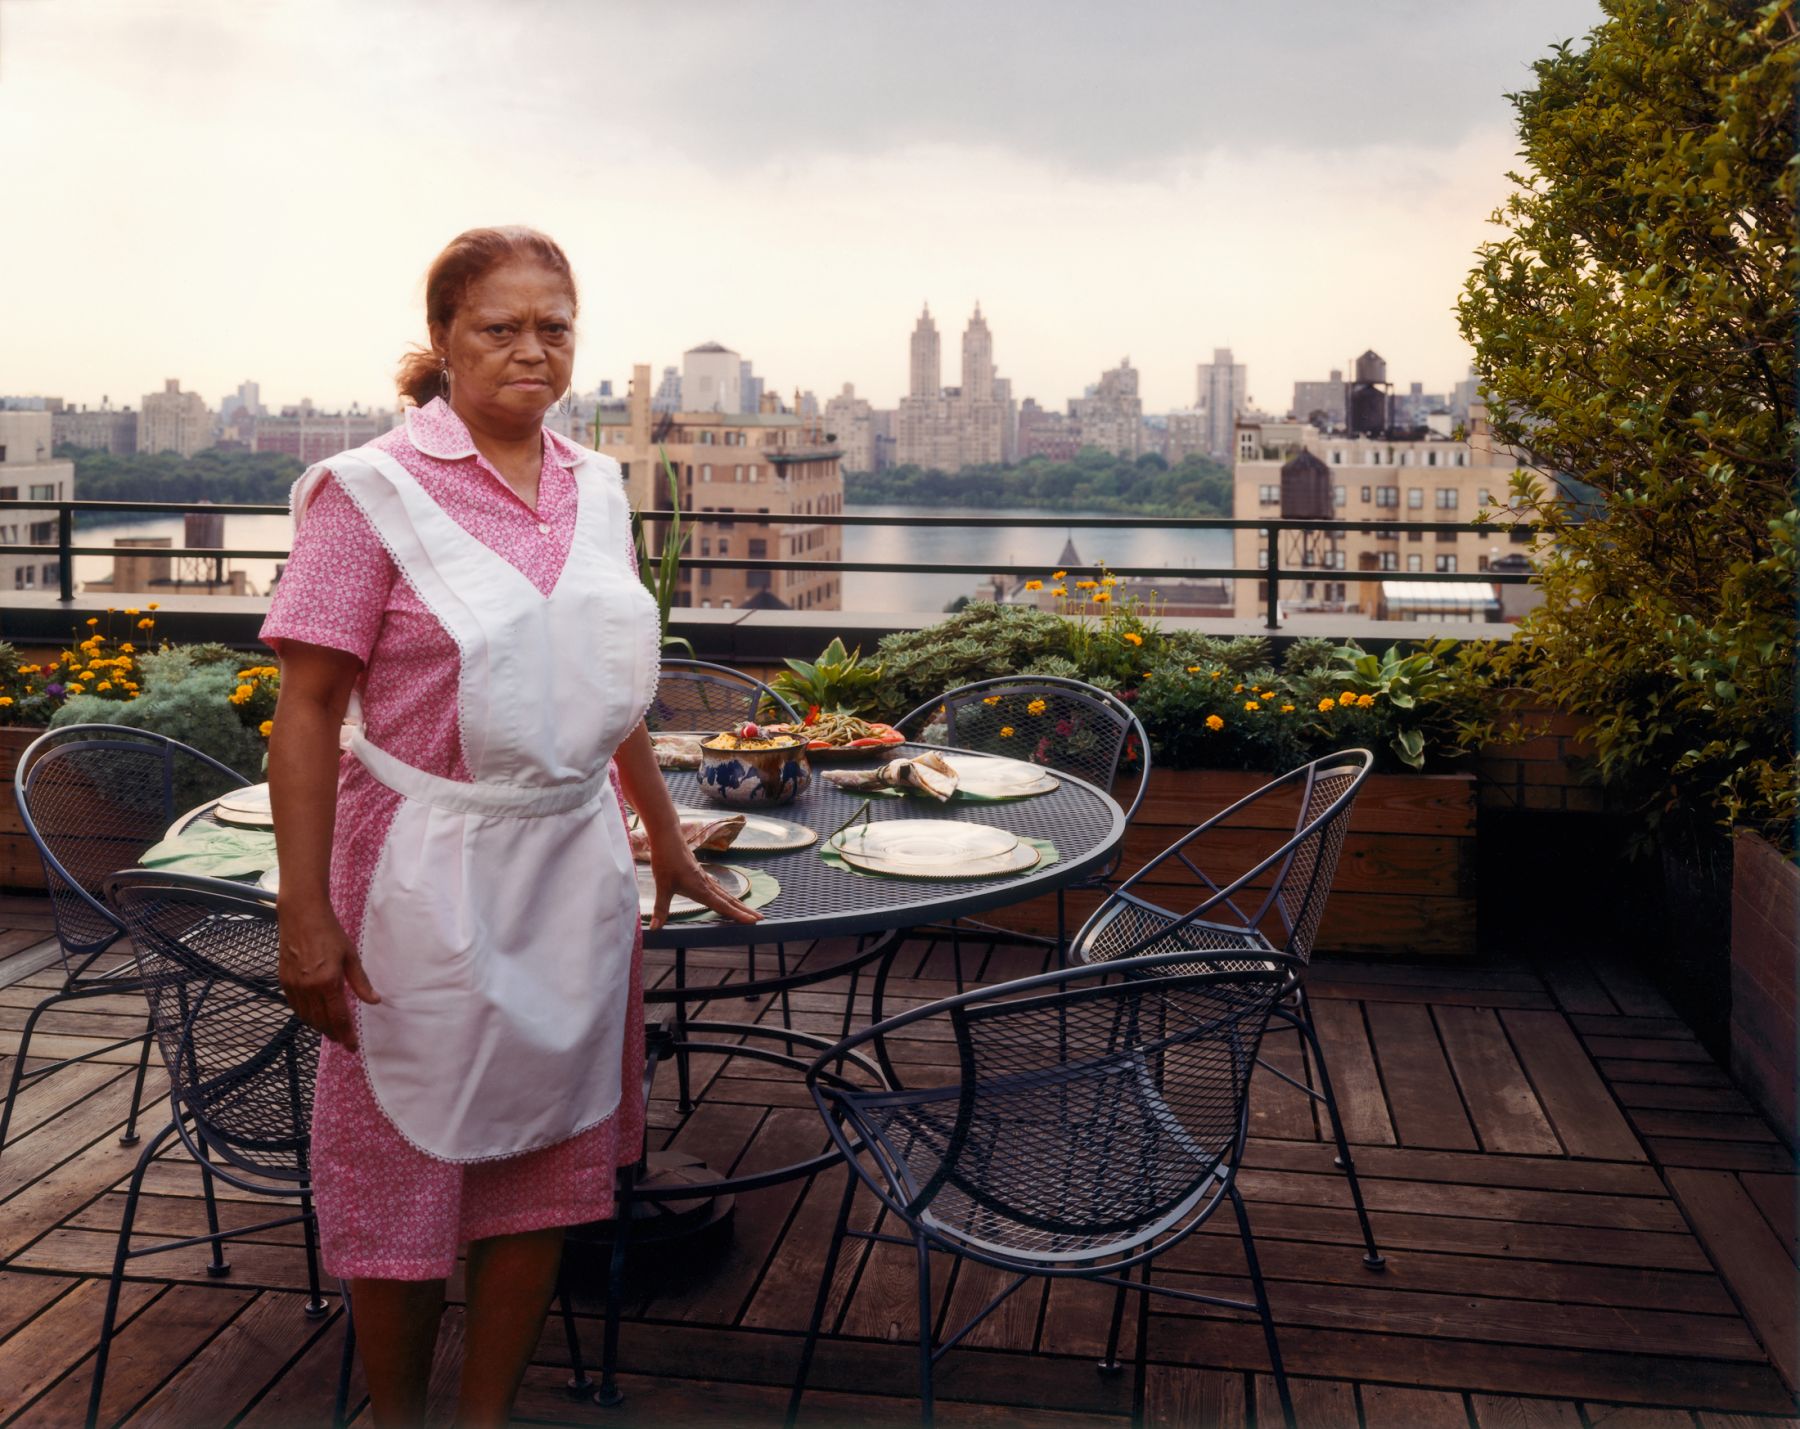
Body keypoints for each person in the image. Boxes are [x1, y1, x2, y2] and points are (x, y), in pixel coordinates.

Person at [262, 225, 759, 1427]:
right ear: (442, 342)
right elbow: (309, 711)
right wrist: (304, 913)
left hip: (571, 873)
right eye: (500, 327)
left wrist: (669, 838)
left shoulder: (595, 487)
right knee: (404, 1188)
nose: (531, 350)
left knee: (544, 1174)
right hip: (417, 877)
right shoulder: (368, 492)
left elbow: (606, 689)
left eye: (555, 327)